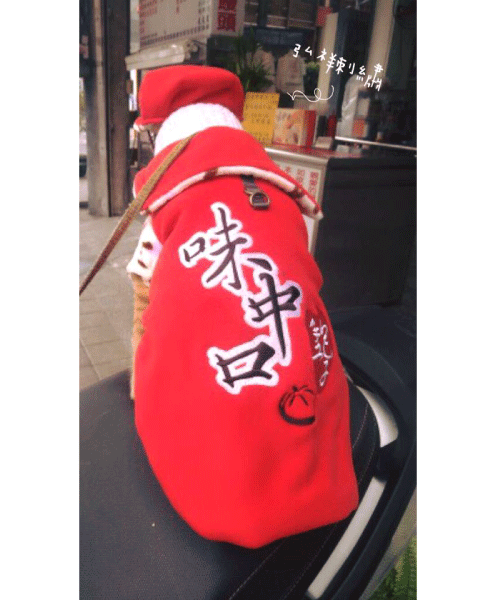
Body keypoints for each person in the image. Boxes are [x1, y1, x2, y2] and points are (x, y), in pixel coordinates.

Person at [125, 65, 358, 549]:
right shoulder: (280, 196)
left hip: (214, 454)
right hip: (297, 397)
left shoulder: (170, 203)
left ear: (160, 137)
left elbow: (144, 287)